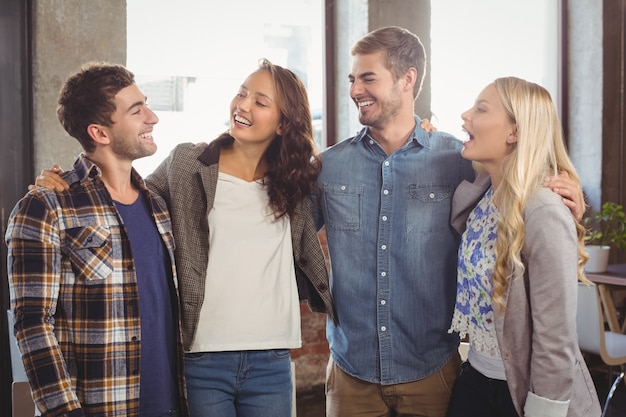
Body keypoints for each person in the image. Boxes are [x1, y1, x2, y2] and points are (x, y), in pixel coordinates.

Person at [33, 58, 337, 417]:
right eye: (242, 93)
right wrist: (65, 180)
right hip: (202, 359)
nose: (242, 105)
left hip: (272, 360)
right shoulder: (187, 164)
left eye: (260, 101)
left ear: (284, 123)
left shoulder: (299, 184)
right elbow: (127, 195)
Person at [312, 26, 585, 417]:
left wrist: (567, 197)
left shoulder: (461, 161)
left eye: (368, 77)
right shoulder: (329, 165)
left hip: (433, 373)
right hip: (352, 371)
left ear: (408, 79)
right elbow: (280, 226)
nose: (356, 89)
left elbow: (525, 180)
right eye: (353, 79)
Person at [6, 62, 187, 416]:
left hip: (173, 405)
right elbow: (32, 323)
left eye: (146, 103)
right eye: (137, 111)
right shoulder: (46, 206)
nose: (152, 117)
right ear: (100, 133)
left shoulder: (159, 205)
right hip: (102, 407)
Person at [446, 77, 601, 417]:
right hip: (475, 377)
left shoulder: (544, 211)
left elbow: (555, 338)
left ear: (514, 132)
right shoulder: (483, 196)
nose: (465, 115)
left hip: (521, 391)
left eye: (481, 109)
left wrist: (543, 410)